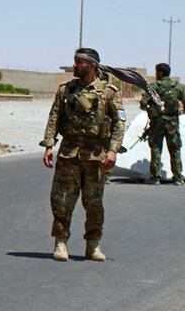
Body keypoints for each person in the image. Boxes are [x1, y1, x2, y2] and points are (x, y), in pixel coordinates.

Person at [41, 48, 126, 262]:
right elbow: (54, 117)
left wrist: (113, 150)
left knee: (94, 203)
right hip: (69, 154)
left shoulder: (109, 92)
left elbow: (119, 123)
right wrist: (49, 145)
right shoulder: (65, 90)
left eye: (79, 62)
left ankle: (93, 244)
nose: (75, 65)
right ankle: (61, 242)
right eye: (75, 61)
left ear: (93, 65)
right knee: (61, 201)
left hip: (96, 156)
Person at [140, 62, 185, 185]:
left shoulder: (153, 87)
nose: (155, 74)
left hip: (157, 123)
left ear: (160, 73)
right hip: (173, 124)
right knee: (175, 149)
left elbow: (143, 104)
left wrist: (151, 109)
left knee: (156, 149)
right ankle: (178, 178)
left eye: (156, 72)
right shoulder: (178, 87)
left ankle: (155, 178)